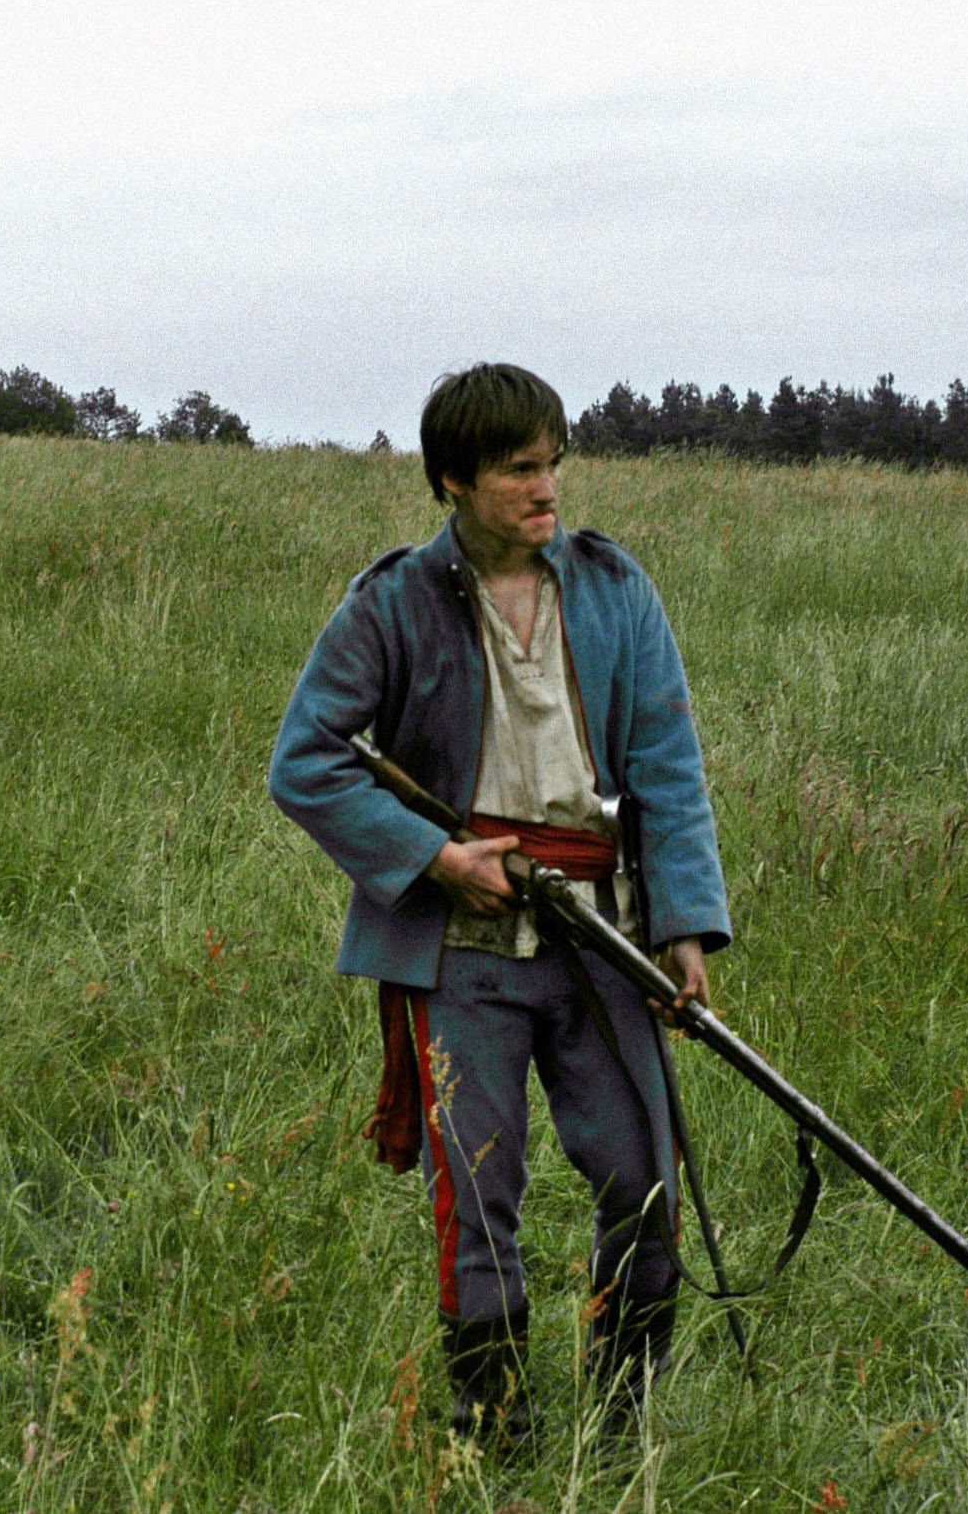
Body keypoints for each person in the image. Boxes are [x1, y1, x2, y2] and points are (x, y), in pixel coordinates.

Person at [267, 364, 733, 1445]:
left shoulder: (615, 589)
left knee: (642, 1179)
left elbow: (666, 764)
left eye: (553, 463)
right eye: (519, 469)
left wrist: (681, 928)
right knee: (477, 1195)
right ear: (452, 481)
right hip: (460, 950)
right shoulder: (389, 603)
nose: (546, 488)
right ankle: (495, 1427)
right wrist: (433, 857)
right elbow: (305, 763)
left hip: (601, 939)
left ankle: (622, 1425)